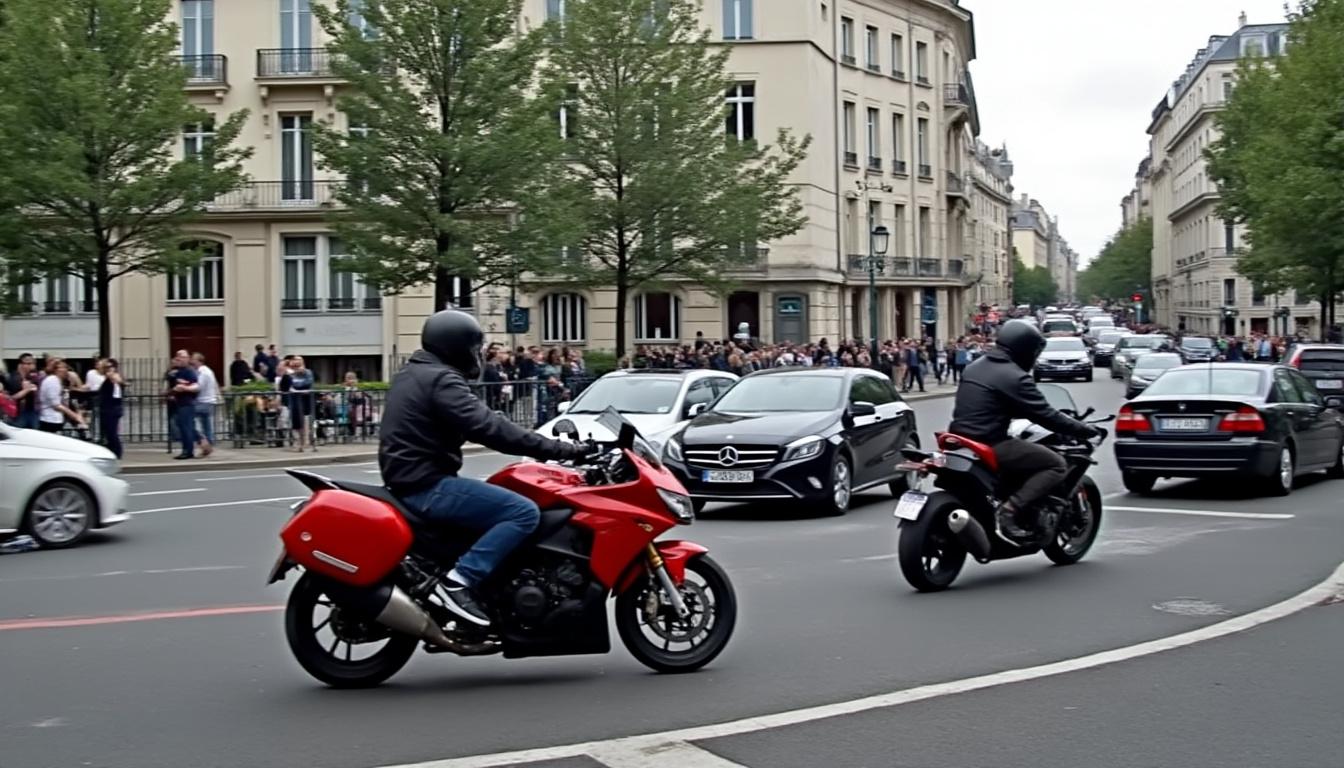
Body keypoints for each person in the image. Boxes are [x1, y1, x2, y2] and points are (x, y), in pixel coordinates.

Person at [379, 310, 593, 627]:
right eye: (474, 348)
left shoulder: (415, 373)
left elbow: (473, 420)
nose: (477, 355)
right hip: (426, 485)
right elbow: (488, 428)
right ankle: (459, 581)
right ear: (457, 346)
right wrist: (560, 450)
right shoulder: (440, 379)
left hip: (411, 478)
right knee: (523, 512)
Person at [947, 320, 1102, 541]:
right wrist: (1085, 430)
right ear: (1026, 349)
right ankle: (1009, 510)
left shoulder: (975, 367)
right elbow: (1046, 415)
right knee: (1056, 464)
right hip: (990, 442)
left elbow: (991, 403)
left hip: (958, 439)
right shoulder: (1015, 377)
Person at [38, 358, 86, 434]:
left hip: (56, 418)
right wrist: (74, 416)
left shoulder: (57, 381)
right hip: (50, 419)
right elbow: (56, 405)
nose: (67, 371)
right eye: (64, 368)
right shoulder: (52, 381)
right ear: (57, 370)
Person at [192, 352, 220, 457]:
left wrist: (187, 387)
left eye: (193, 359)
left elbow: (199, 387)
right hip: (209, 401)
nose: (191, 361)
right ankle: (209, 445)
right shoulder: (208, 370)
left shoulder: (202, 372)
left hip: (203, 401)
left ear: (199, 361)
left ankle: (202, 441)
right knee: (206, 425)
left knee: (187, 418)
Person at [98, 359, 125, 458]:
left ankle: (117, 452)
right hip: (108, 408)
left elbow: (119, 382)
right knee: (109, 433)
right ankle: (112, 451)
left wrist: (114, 377)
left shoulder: (114, 377)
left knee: (112, 432)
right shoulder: (107, 378)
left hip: (112, 409)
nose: (106, 369)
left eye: (108, 367)